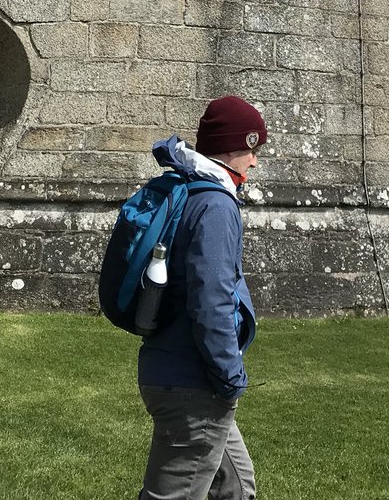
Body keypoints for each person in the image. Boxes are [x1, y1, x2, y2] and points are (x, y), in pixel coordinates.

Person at [137, 93, 267, 500]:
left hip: (175, 371)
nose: (255, 162)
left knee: (237, 489)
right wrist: (231, 379)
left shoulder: (190, 191)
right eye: (253, 150)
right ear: (235, 146)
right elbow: (211, 304)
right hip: (194, 383)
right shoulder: (214, 205)